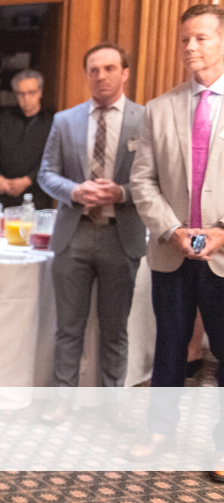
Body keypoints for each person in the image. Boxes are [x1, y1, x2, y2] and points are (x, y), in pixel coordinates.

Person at [129, 4, 224, 476]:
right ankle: (160, 430)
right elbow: (142, 180)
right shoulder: (159, 108)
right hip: (171, 250)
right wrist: (172, 229)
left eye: (201, 38)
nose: (190, 47)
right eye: (185, 39)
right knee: (169, 345)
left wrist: (221, 233)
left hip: (223, 253)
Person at [37, 42, 146, 430]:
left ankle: (112, 403)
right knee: (68, 327)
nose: (101, 76)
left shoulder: (145, 120)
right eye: (94, 70)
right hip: (74, 234)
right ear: (86, 74)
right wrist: (74, 190)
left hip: (121, 235)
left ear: (125, 73)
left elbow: (156, 180)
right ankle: (62, 399)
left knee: (115, 330)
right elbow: (46, 174)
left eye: (110, 68)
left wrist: (121, 193)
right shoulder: (65, 121)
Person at [0, 70, 54, 209]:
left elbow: (53, 159)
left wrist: (28, 180)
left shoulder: (51, 122)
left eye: (31, 93)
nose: (26, 98)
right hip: (1, 192)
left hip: (34, 195)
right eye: (21, 93)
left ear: (40, 92)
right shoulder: (3, 119)